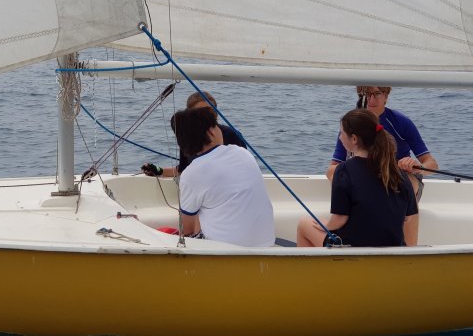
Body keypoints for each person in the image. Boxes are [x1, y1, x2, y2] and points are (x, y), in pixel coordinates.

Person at [298, 109, 419, 247]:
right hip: (392, 249)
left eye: (341, 133)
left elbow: (340, 218)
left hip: (352, 249)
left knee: (304, 224)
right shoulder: (398, 173)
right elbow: (409, 218)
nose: (340, 138)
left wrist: (326, 225)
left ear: (354, 139)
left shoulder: (343, 170)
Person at [171, 107, 275, 247]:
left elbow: (187, 229)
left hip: (225, 251)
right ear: (211, 132)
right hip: (267, 243)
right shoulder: (242, 153)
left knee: (193, 214)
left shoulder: (191, 173)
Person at [326, 86, 438, 198]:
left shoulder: (401, 122)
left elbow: (432, 164)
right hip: (366, 180)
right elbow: (331, 170)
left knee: (406, 182)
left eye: (377, 94)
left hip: (399, 177)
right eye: (367, 94)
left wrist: (418, 167)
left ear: (386, 96)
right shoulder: (350, 125)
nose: (371, 100)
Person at [141, 91, 246, 177]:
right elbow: (182, 169)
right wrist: (159, 170)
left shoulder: (232, 135)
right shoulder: (189, 138)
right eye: (201, 111)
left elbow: (243, 169)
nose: (207, 115)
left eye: (210, 110)